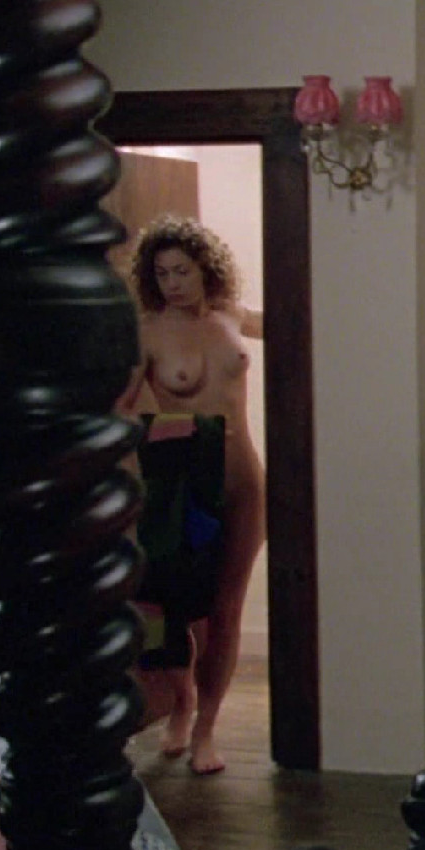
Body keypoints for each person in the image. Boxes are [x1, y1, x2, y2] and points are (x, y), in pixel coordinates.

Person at [119, 215, 266, 777]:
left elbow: (304, 320)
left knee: (226, 611)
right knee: (176, 608)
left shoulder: (231, 316)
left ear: (206, 269)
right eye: (161, 273)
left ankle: (207, 727)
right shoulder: (149, 331)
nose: (173, 283)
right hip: (179, 485)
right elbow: (121, 411)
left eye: (182, 271)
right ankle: (179, 702)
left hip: (242, 479)